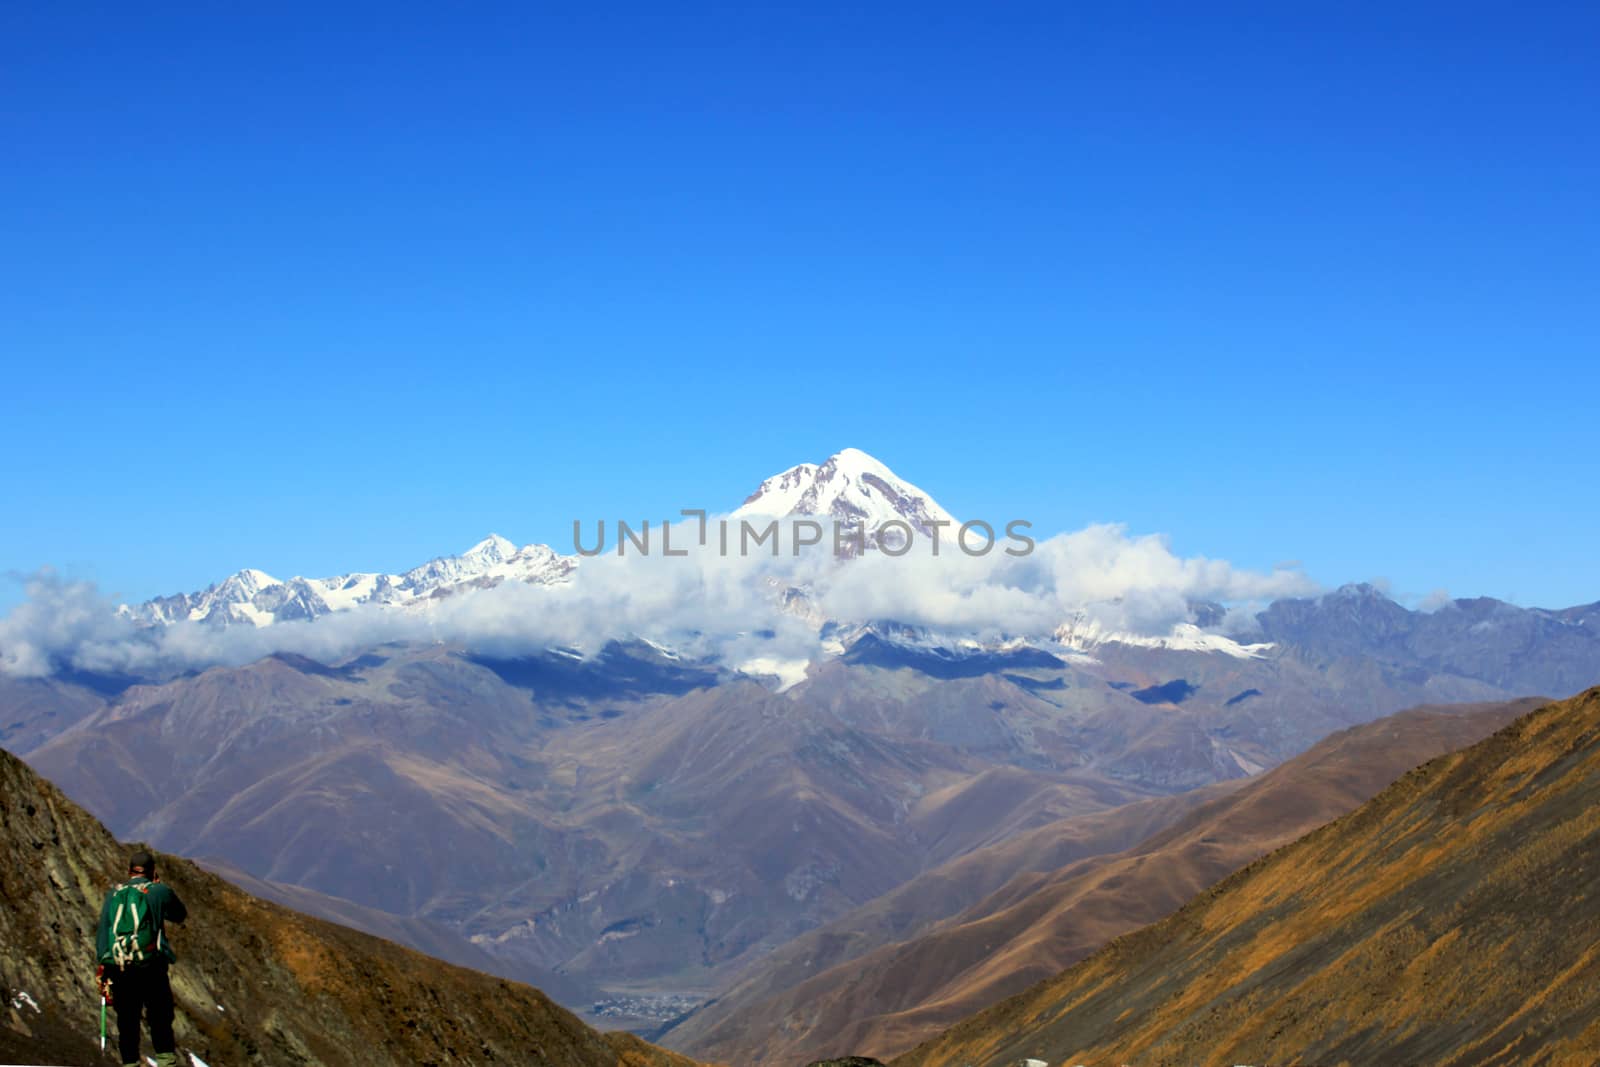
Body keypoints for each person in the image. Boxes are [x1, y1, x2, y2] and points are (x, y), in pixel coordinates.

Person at [95, 849, 187, 1067]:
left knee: (127, 1021)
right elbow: (179, 914)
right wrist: (158, 886)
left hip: (120, 967)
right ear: (153, 872)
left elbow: (103, 932)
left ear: (129, 871)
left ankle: (130, 1064)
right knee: (160, 1017)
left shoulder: (114, 894)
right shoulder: (157, 891)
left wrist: (103, 966)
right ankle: (166, 1062)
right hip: (151, 966)